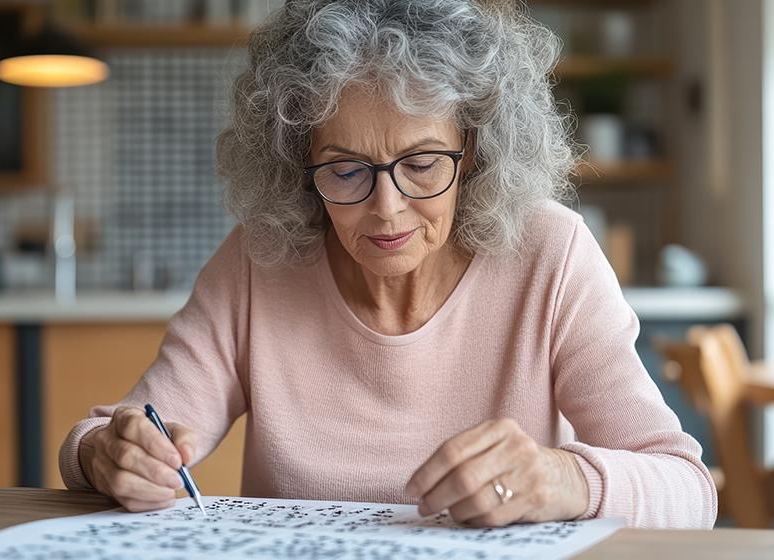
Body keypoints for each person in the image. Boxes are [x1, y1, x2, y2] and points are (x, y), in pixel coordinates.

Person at [60, 0, 716, 529]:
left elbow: (689, 490)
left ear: (476, 152)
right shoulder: (260, 262)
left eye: (423, 164)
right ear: (298, 163)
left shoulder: (551, 254)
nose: (386, 209)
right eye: (345, 169)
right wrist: (106, 456)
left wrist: (567, 478)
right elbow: (102, 437)